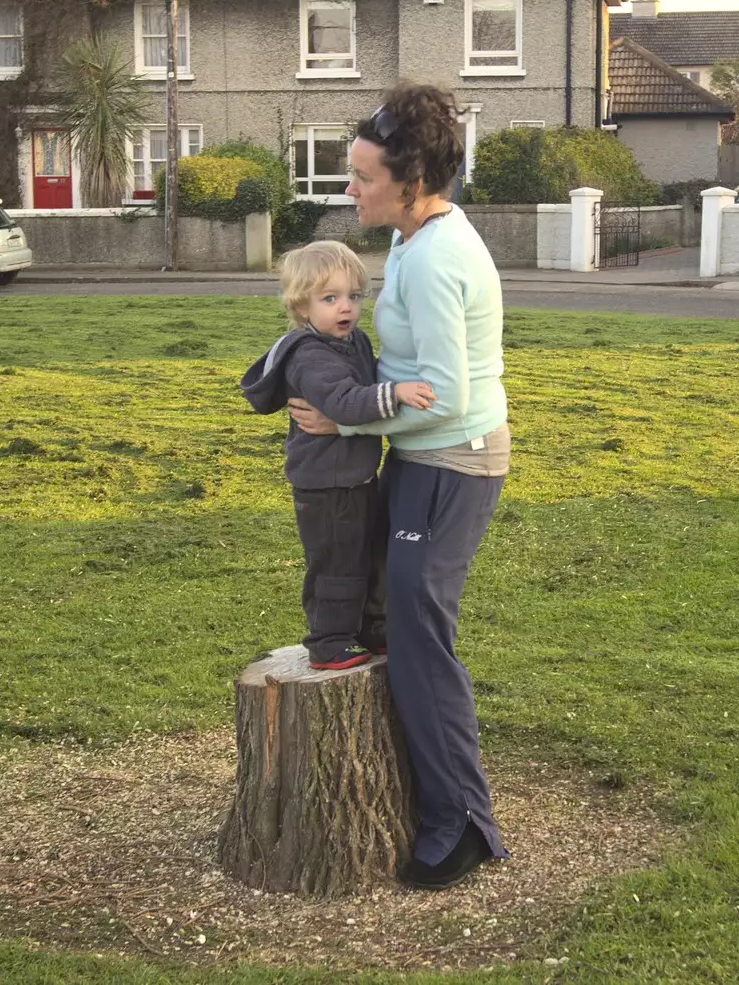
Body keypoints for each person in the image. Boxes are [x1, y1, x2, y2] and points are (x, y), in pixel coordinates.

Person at [288, 83, 511, 890]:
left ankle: (461, 825)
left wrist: (346, 423)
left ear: (410, 180)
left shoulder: (439, 257)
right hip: (420, 457)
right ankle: (427, 797)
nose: (350, 188)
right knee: (389, 625)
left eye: (361, 176)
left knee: (420, 635)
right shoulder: (415, 242)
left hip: (455, 461)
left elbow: (446, 397)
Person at [241, 240, 435, 670]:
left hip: (355, 476)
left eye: (353, 296)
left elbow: (369, 380)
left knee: (367, 552)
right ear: (301, 306)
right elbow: (347, 402)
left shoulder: (352, 342)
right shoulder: (310, 356)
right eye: (329, 299)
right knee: (336, 561)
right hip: (325, 483)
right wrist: (396, 394)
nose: (345, 307)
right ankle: (328, 638)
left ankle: (369, 626)